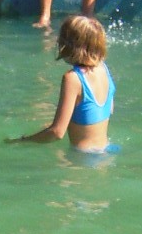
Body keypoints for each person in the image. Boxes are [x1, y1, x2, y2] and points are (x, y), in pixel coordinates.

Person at [10, 15, 114, 152]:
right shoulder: (103, 68)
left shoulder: (73, 78)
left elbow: (57, 132)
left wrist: (23, 141)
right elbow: (107, 110)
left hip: (83, 157)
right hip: (108, 150)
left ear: (69, 45)